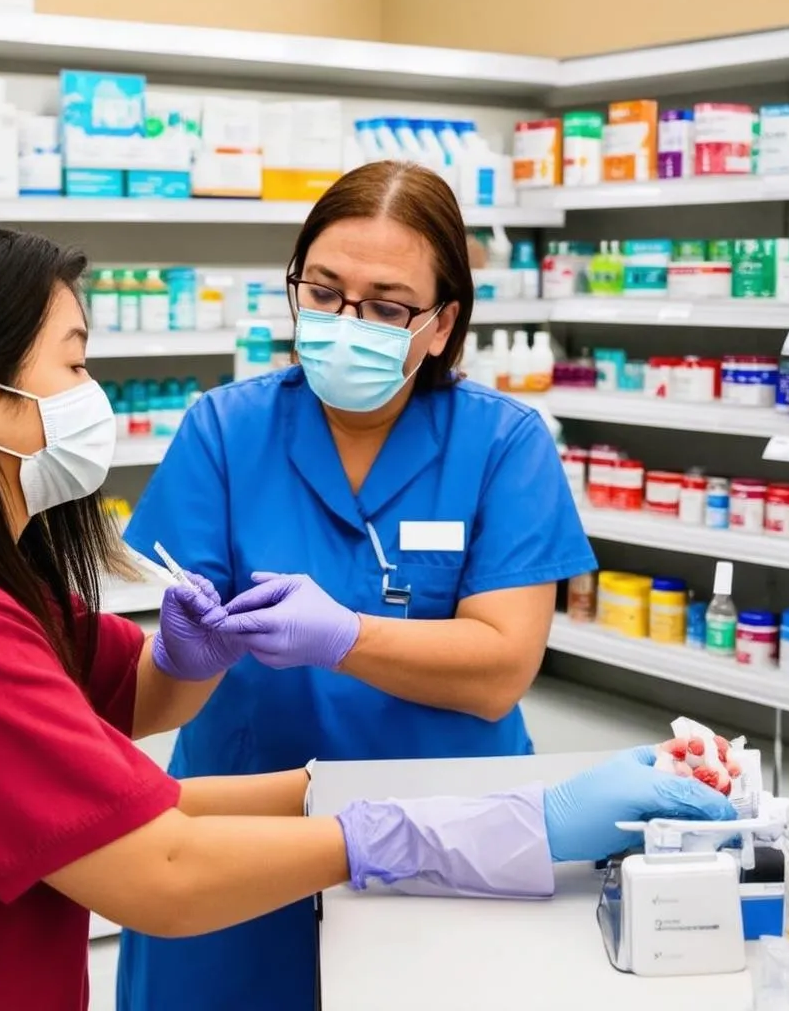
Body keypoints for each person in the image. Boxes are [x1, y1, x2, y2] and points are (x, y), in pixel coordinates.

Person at [0, 223, 734, 1011]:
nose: (95, 396)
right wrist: (444, 828)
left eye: (386, 304)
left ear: (444, 324)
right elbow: (158, 864)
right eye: (76, 364)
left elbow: (127, 734)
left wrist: (483, 806)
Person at [118, 160, 599, 1010]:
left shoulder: (502, 444)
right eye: (325, 291)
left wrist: (347, 636)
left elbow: (499, 671)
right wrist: (182, 655)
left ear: (443, 324)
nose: (347, 322)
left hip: (447, 825)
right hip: (244, 829)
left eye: (386, 307)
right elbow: (166, 685)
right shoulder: (226, 429)